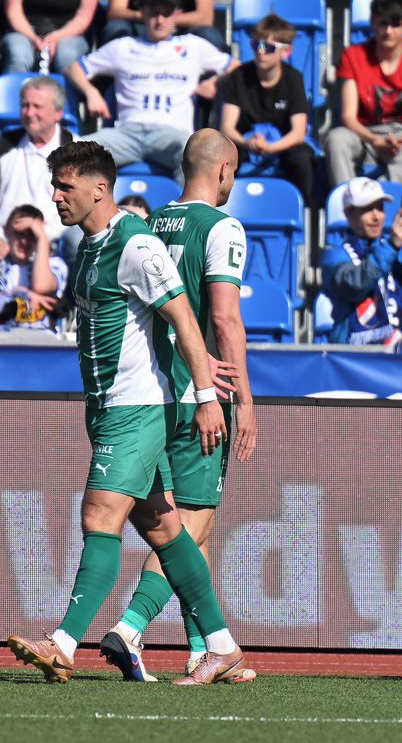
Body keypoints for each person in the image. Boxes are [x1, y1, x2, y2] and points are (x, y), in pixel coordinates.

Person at [5, 140, 253, 685]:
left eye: (65, 187)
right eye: (54, 186)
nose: (56, 197)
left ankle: (62, 643)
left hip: (137, 407)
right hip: (106, 408)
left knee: (99, 515)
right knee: (164, 528)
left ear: (99, 189)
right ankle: (222, 645)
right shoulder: (88, 246)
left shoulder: (137, 243)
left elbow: (186, 320)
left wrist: (208, 398)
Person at [99, 129, 257, 680]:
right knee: (191, 523)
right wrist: (244, 399)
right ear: (224, 170)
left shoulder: (149, 224)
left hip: (152, 394)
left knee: (190, 521)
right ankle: (131, 626)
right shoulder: (222, 226)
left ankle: (204, 648)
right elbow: (224, 320)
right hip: (199, 394)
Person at [68, 0, 236, 184]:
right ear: (143, 13)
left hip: (172, 133)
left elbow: (236, 67)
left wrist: (215, 82)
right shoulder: (123, 46)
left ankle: (186, 206)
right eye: (154, 13)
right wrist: (91, 93)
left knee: (194, 156)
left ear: (177, 14)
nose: (160, 20)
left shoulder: (193, 46)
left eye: (166, 13)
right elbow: (74, 68)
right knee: (76, 155)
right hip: (126, 134)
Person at [328, 0, 402, 189]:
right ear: (372, 22)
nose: (388, 31)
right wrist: (374, 140)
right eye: (383, 23)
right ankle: (347, 198)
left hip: (401, 135)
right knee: (336, 139)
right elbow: (348, 116)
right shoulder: (353, 55)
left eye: (395, 25)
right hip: (362, 133)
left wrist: (401, 142)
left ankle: (376, 197)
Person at [320, 176, 402, 347]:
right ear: (348, 213)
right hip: (351, 356)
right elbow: (354, 285)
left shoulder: (396, 249)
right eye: (367, 209)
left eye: (380, 208)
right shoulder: (334, 254)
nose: (376, 217)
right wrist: (391, 246)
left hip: (396, 354)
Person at [218, 14, 315, 206]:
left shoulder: (294, 79)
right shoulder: (238, 76)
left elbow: (298, 133)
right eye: (256, 45)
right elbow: (227, 127)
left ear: (286, 51)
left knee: (302, 158)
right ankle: (220, 207)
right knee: (224, 155)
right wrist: (247, 142)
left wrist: (271, 147)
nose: (261, 52)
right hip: (245, 142)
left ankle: (305, 211)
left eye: (269, 47)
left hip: (282, 143)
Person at [0, 75, 73, 244]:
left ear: (58, 113)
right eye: (25, 105)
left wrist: (42, 234)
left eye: (37, 106)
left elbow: (81, 209)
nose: (29, 113)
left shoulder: (76, 151)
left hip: (55, 246)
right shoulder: (3, 145)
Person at [0, 204, 68, 333]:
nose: (24, 241)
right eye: (20, 234)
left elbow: (41, 286)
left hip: (43, 341)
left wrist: (42, 238)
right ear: (7, 230)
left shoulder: (55, 265)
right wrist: (25, 293)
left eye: (31, 235)